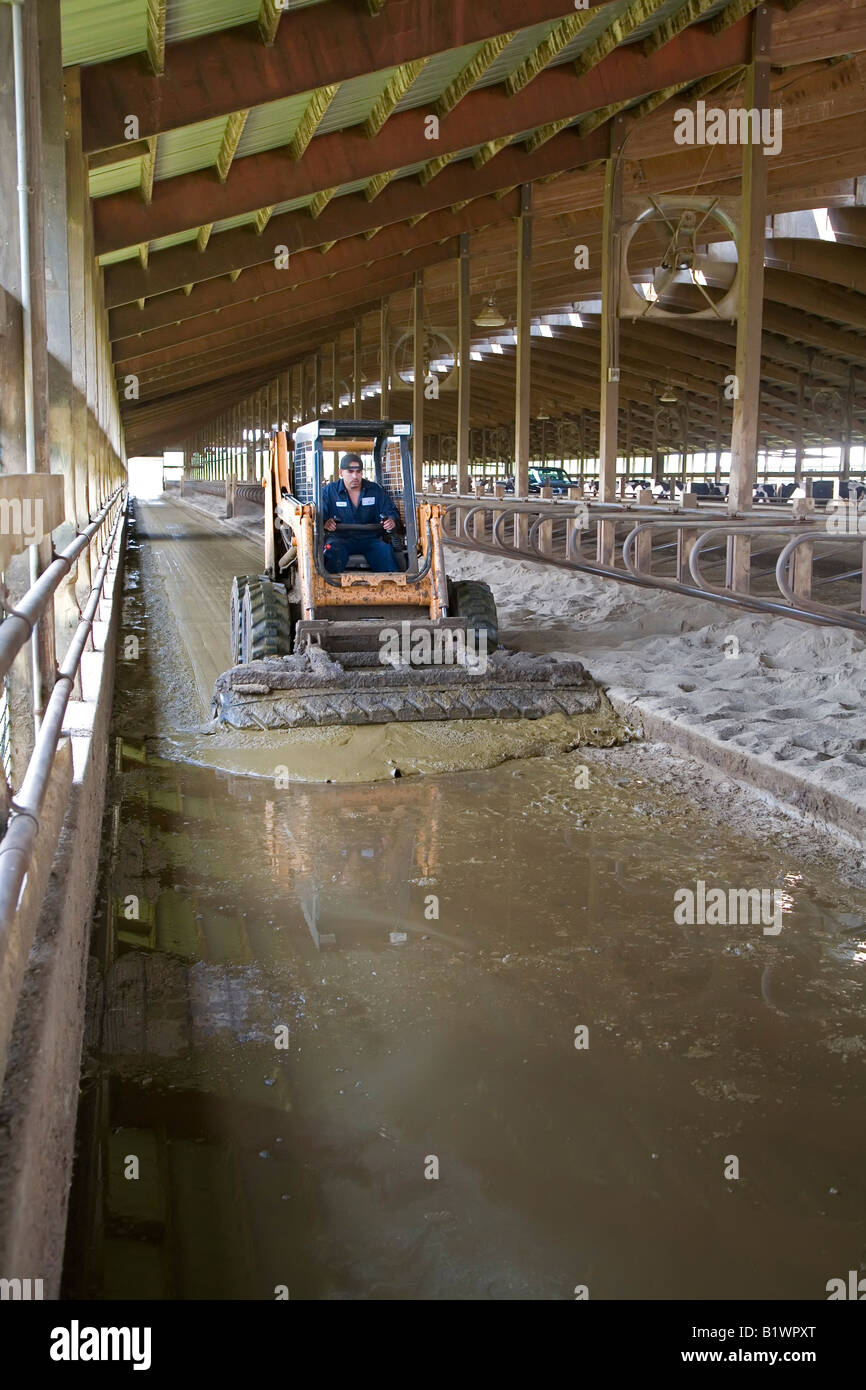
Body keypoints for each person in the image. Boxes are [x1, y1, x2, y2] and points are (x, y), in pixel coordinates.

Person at [321, 453, 401, 573]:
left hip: (369, 539)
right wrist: (325, 523)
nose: (355, 476)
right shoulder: (329, 491)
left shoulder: (375, 490)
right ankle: (329, 589)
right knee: (332, 553)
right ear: (341, 472)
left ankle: (393, 588)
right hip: (340, 539)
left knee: (385, 551)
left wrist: (391, 521)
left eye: (358, 472)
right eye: (350, 471)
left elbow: (390, 511)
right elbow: (320, 515)